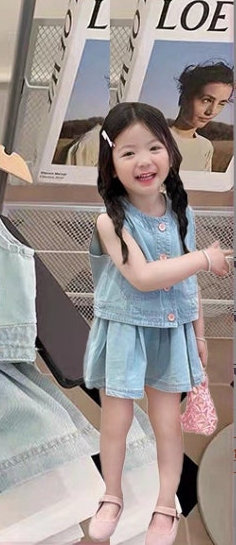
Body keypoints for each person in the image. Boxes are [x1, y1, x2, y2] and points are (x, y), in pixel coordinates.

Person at [83, 102, 231, 544]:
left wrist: (199, 333)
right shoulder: (109, 221)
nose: (144, 161)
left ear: (170, 150)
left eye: (153, 147)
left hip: (173, 331)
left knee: (168, 422)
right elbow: (143, 277)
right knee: (117, 420)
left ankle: (165, 505)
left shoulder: (181, 211)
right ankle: (111, 495)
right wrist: (204, 258)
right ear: (111, 163)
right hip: (125, 331)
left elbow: (187, 282)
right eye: (128, 152)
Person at [170, 61, 234, 172]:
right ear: (184, 98)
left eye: (221, 103)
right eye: (206, 100)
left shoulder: (206, 147)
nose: (212, 111)